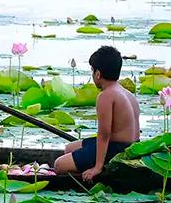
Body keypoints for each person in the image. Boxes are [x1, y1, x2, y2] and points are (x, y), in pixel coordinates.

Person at [54, 46, 140, 182]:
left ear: (98, 73)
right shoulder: (127, 93)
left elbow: (104, 134)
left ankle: (97, 170)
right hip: (132, 145)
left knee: (59, 165)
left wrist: (97, 167)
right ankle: (83, 164)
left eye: (92, 71)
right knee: (69, 148)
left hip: (118, 149)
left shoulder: (106, 96)